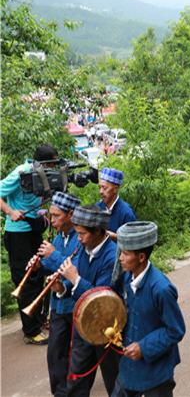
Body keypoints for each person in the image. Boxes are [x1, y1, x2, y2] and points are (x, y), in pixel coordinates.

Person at [111, 222, 186, 397]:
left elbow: (175, 331)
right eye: (120, 252)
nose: (120, 258)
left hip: (156, 369)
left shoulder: (161, 289)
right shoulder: (127, 278)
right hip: (130, 365)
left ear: (141, 257)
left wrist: (143, 347)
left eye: (125, 254)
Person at [52, 205, 120, 396]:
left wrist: (75, 279)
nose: (79, 239)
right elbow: (77, 281)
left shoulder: (113, 256)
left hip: (107, 331)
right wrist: (62, 287)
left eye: (82, 234)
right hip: (83, 328)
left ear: (98, 231)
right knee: (75, 382)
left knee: (115, 383)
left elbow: (101, 300)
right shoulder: (84, 248)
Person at [0, 143, 59, 345]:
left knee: (38, 274)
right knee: (25, 280)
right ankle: (31, 332)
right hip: (18, 235)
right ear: (42, 163)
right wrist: (10, 211)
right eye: (51, 164)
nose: (53, 168)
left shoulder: (43, 174)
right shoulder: (21, 172)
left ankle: (38, 320)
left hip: (33, 230)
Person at [27, 192, 81, 396]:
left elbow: (75, 269)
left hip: (75, 305)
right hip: (58, 306)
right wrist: (38, 267)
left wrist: (53, 254)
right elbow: (52, 266)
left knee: (80, 356)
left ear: (71, 215)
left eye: (57, 216)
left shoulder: (81, 237)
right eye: (51, 215)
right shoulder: (58, 238)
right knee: (55, 353)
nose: (52, 220)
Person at [96, 168, 137, 287]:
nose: (101, 192)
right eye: (99, 187)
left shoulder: (126, 212)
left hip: (121, 266)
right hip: (101, 264)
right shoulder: (97, 208)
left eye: (105, 188)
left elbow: (134, 241)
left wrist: (114, 236)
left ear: (115, 189)